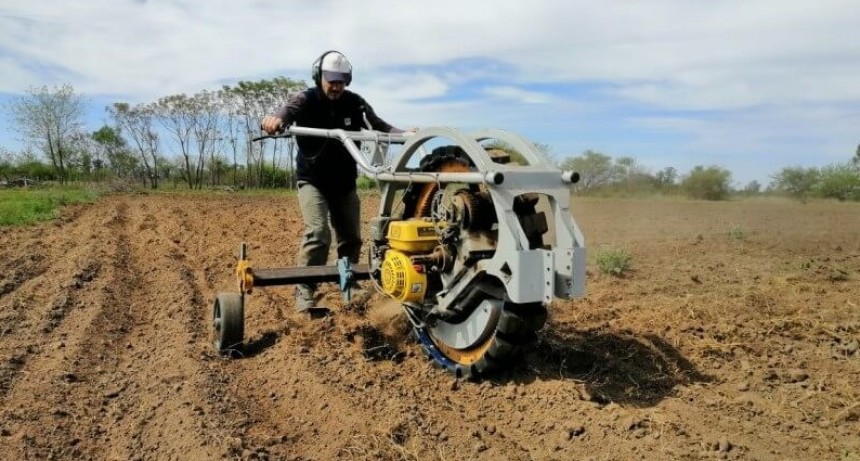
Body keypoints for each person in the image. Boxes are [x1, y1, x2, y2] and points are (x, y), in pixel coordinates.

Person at [261, 50, 410, 313]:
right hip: (313, 181)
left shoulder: (355, 103)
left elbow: (379, 125)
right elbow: (286, 112)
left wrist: (406, 134)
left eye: (341, 81)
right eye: (331, 80)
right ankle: (305, 290)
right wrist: (275, 121)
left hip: (344, 183)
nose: (336, 86)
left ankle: (348, 284)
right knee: (319, 233)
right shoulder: (305, 99)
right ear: (319, 77)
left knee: (351, 238)